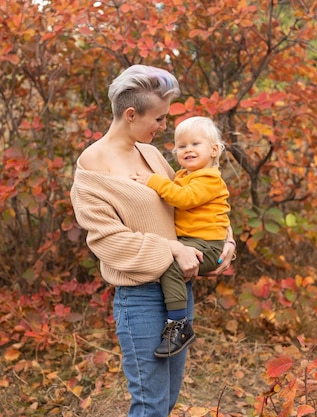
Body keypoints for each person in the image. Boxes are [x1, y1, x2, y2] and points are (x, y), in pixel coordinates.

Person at [70, 65, 235, 417]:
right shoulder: (91, 170)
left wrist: (228, 243)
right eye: (158, 118)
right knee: (150, 405)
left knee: (168, 398)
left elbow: (199, 199)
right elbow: (108, 242)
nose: (162, 128)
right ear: (131, 114)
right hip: (140, 298)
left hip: (178, 291)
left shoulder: (151, 155)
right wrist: (173, 248)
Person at [131, 116, 232, 358]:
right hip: (194, 240)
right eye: (181, 146)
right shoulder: (184, 175)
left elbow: (183, 198)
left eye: (195, 144)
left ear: (214, 150)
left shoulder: (209, 178)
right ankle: (177, 321)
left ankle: (179, 324)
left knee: (172, 266)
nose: (187, 150)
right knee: (172, 261)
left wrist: (153, 181)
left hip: (207, 244)